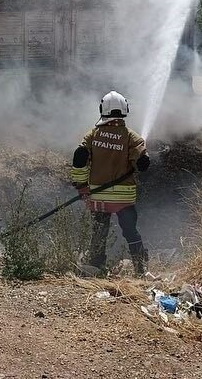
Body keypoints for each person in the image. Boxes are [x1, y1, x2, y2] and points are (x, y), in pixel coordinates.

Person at [70, 91, 152, 276]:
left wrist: (81, 185)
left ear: (102, 109)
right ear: (125, 110)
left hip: (99, 197)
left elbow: (79, 157)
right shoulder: (133, 137)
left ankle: (96, 266)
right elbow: (143, 165)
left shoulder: (92, 135)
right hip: (124, 198)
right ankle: (140, 268)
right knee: (131, 232)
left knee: (99, 232)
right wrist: (142, 158)